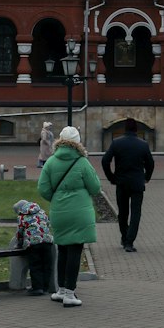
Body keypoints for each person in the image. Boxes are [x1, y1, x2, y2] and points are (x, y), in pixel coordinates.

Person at [38, 125, 101, 308]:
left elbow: (43, 188)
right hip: (80, 212)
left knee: (63, 249)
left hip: (59, 211)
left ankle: (61, 290)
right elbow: (95, 188)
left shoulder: (50, 162)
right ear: (78, 142)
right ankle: (70, 293)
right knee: (75, 250)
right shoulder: (82, 162)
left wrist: (57, 199)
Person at [101, 117, 155, 252]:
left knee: (123, 212)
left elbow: (105, 161)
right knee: (136, 213)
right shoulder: (143, 144)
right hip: (137, 183)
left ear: (124, 129)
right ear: (136, 129)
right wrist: (146, 177)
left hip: (121, 182)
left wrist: (111, 177)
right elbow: (150, 163)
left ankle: (124, 237)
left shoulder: (116, 143)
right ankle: (130, 242)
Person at [13, 198, 55, 296]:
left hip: (33, 243)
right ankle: (46, 287)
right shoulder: (42, 212)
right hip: (47, 241)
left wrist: (18, 244)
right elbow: (48, 224)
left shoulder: (22, 217)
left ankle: (37, 288)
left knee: (36, 265)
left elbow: (19, 233)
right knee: (46, 264)